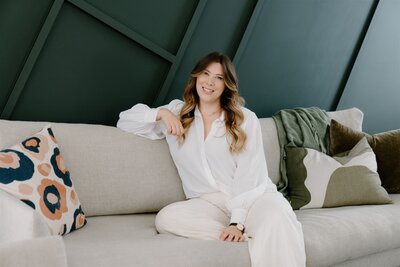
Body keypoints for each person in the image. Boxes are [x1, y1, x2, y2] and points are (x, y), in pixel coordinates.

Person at [117, 52, 306, 266]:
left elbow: (249, 175)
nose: (209, 82)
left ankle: (246, 230)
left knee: (278, 216)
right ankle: (248, 237)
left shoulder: (245, 119)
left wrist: (237, 221)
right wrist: (161, 114)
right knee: (167, 218)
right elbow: (125, 120)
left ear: (227, 85)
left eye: (219, 77)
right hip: (207, 203)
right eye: (206, 74)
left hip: (253, 198)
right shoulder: (178, 113)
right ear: (196, 76)